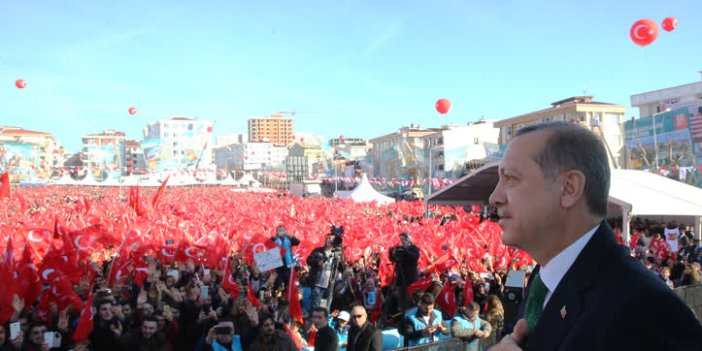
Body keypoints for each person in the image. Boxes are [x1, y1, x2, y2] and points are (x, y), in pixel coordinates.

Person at [488, 122, 702, 350]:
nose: (495, 197)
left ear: (569, 188)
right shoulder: (544, 280)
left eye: (510, 178)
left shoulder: (643, 307)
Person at [389, 232, 420, 311]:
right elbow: (394, 259)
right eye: (401, 239)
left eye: (403, 239)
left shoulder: (414, 248)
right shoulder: (400, 249)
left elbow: (414, 257)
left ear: (408, 239)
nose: (402, 241)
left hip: (410, 277)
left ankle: (412, 310)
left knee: (411, 296)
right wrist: (392, 252)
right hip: (400, 276)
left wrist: (405, 250)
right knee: (401, 295)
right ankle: (401, 310)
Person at [272, 225, 300, 290]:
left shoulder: (289, 239)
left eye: (283, 230)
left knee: (287, 280)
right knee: (278, 282)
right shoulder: (274, 239)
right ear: (276, 232)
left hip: (288, 264)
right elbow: (267, 244)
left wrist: (290, 235)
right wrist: (274, 238)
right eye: (279, 230)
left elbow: (297, 242)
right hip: (277, 265)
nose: (281, 232)